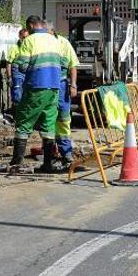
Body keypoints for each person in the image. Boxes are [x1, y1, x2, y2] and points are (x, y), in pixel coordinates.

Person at [10, 15, 64, 173]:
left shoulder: (30, 41)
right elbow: (62, 64)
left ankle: (17, 163)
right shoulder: (54, 40)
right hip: (54, 88)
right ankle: (48, 164)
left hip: (36, 87)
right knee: (48, 126)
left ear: (32, 26)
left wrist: (17, 84)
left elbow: (21, 66)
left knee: (24, 123)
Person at [50, 25, 79, 169]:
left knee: (63, 118)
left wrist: (73, 85)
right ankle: (50, 152)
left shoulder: (63, 43)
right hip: (45, 87)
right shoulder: (39, 42)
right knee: (48, 119)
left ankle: (66, 152)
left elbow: (73, 65)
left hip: (61, 85)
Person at [6, 28, 29, 106]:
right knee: (17, 92)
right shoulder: (14, 47)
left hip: (27, 73)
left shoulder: (30, 48)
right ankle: (16, 112)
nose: (25, 39)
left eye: (27, 37)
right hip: (17, 72)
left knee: (26, 94)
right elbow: (9, 63)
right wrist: (9, 77)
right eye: (23, 37)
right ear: (20, 36)